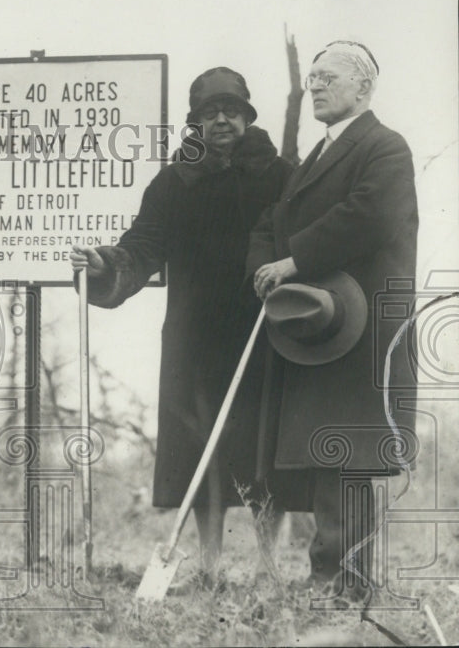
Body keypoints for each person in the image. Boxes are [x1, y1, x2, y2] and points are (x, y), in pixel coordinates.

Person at [70, 67, 294, 583]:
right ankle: (210, 565)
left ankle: (267, 565)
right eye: (210, 113)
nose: (221, 120)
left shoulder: (279, 175)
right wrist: (106, 263)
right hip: (194, 334)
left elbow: (302, 237)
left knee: (263, 450)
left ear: (246, 118)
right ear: (195, 123)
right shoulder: (174, 181)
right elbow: (144, 243)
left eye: (231, 111)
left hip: (263, 329)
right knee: (200, 452)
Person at [248, 41, 418, 601]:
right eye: (312, 78)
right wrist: (265, 270)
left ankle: (345, 585)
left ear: (363, 88)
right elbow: (274, 221)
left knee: (346, 453)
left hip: (364, 327)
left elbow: (368, 214)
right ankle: (335, 581)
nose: (315, 86)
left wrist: (295, 260)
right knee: (330, 452)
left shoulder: (384, 147)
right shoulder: (316, 158)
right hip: (323, 327)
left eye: (328, 77)